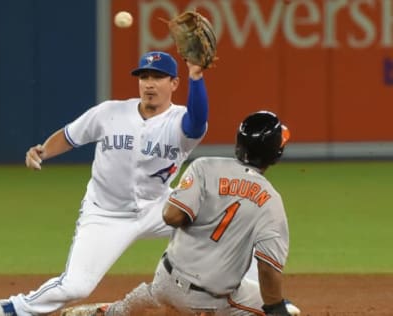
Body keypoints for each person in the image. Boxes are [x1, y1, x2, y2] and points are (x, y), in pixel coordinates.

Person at [0, 50, 214, 316]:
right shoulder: (110, 113)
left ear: (174, 83)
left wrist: (196, 76)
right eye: (144, 77)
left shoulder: (180, 121)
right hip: (106, 213)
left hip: (159, 208)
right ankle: (17, 307)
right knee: (76, 287)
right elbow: (71, 135)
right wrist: (44, 151)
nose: (149, 83)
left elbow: (197, 122)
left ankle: (236, 296)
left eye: (158, 77)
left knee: (218, 223)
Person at [89, 111, 300, 315]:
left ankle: (114, 311)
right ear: (275, 155)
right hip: (209, 302)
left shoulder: (203, 167)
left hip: (165, 282)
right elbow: (267, 268)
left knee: (139, 303)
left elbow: (171, 216)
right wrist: (275, 308)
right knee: (287, 309)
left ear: (239, 144)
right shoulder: (271, 201)